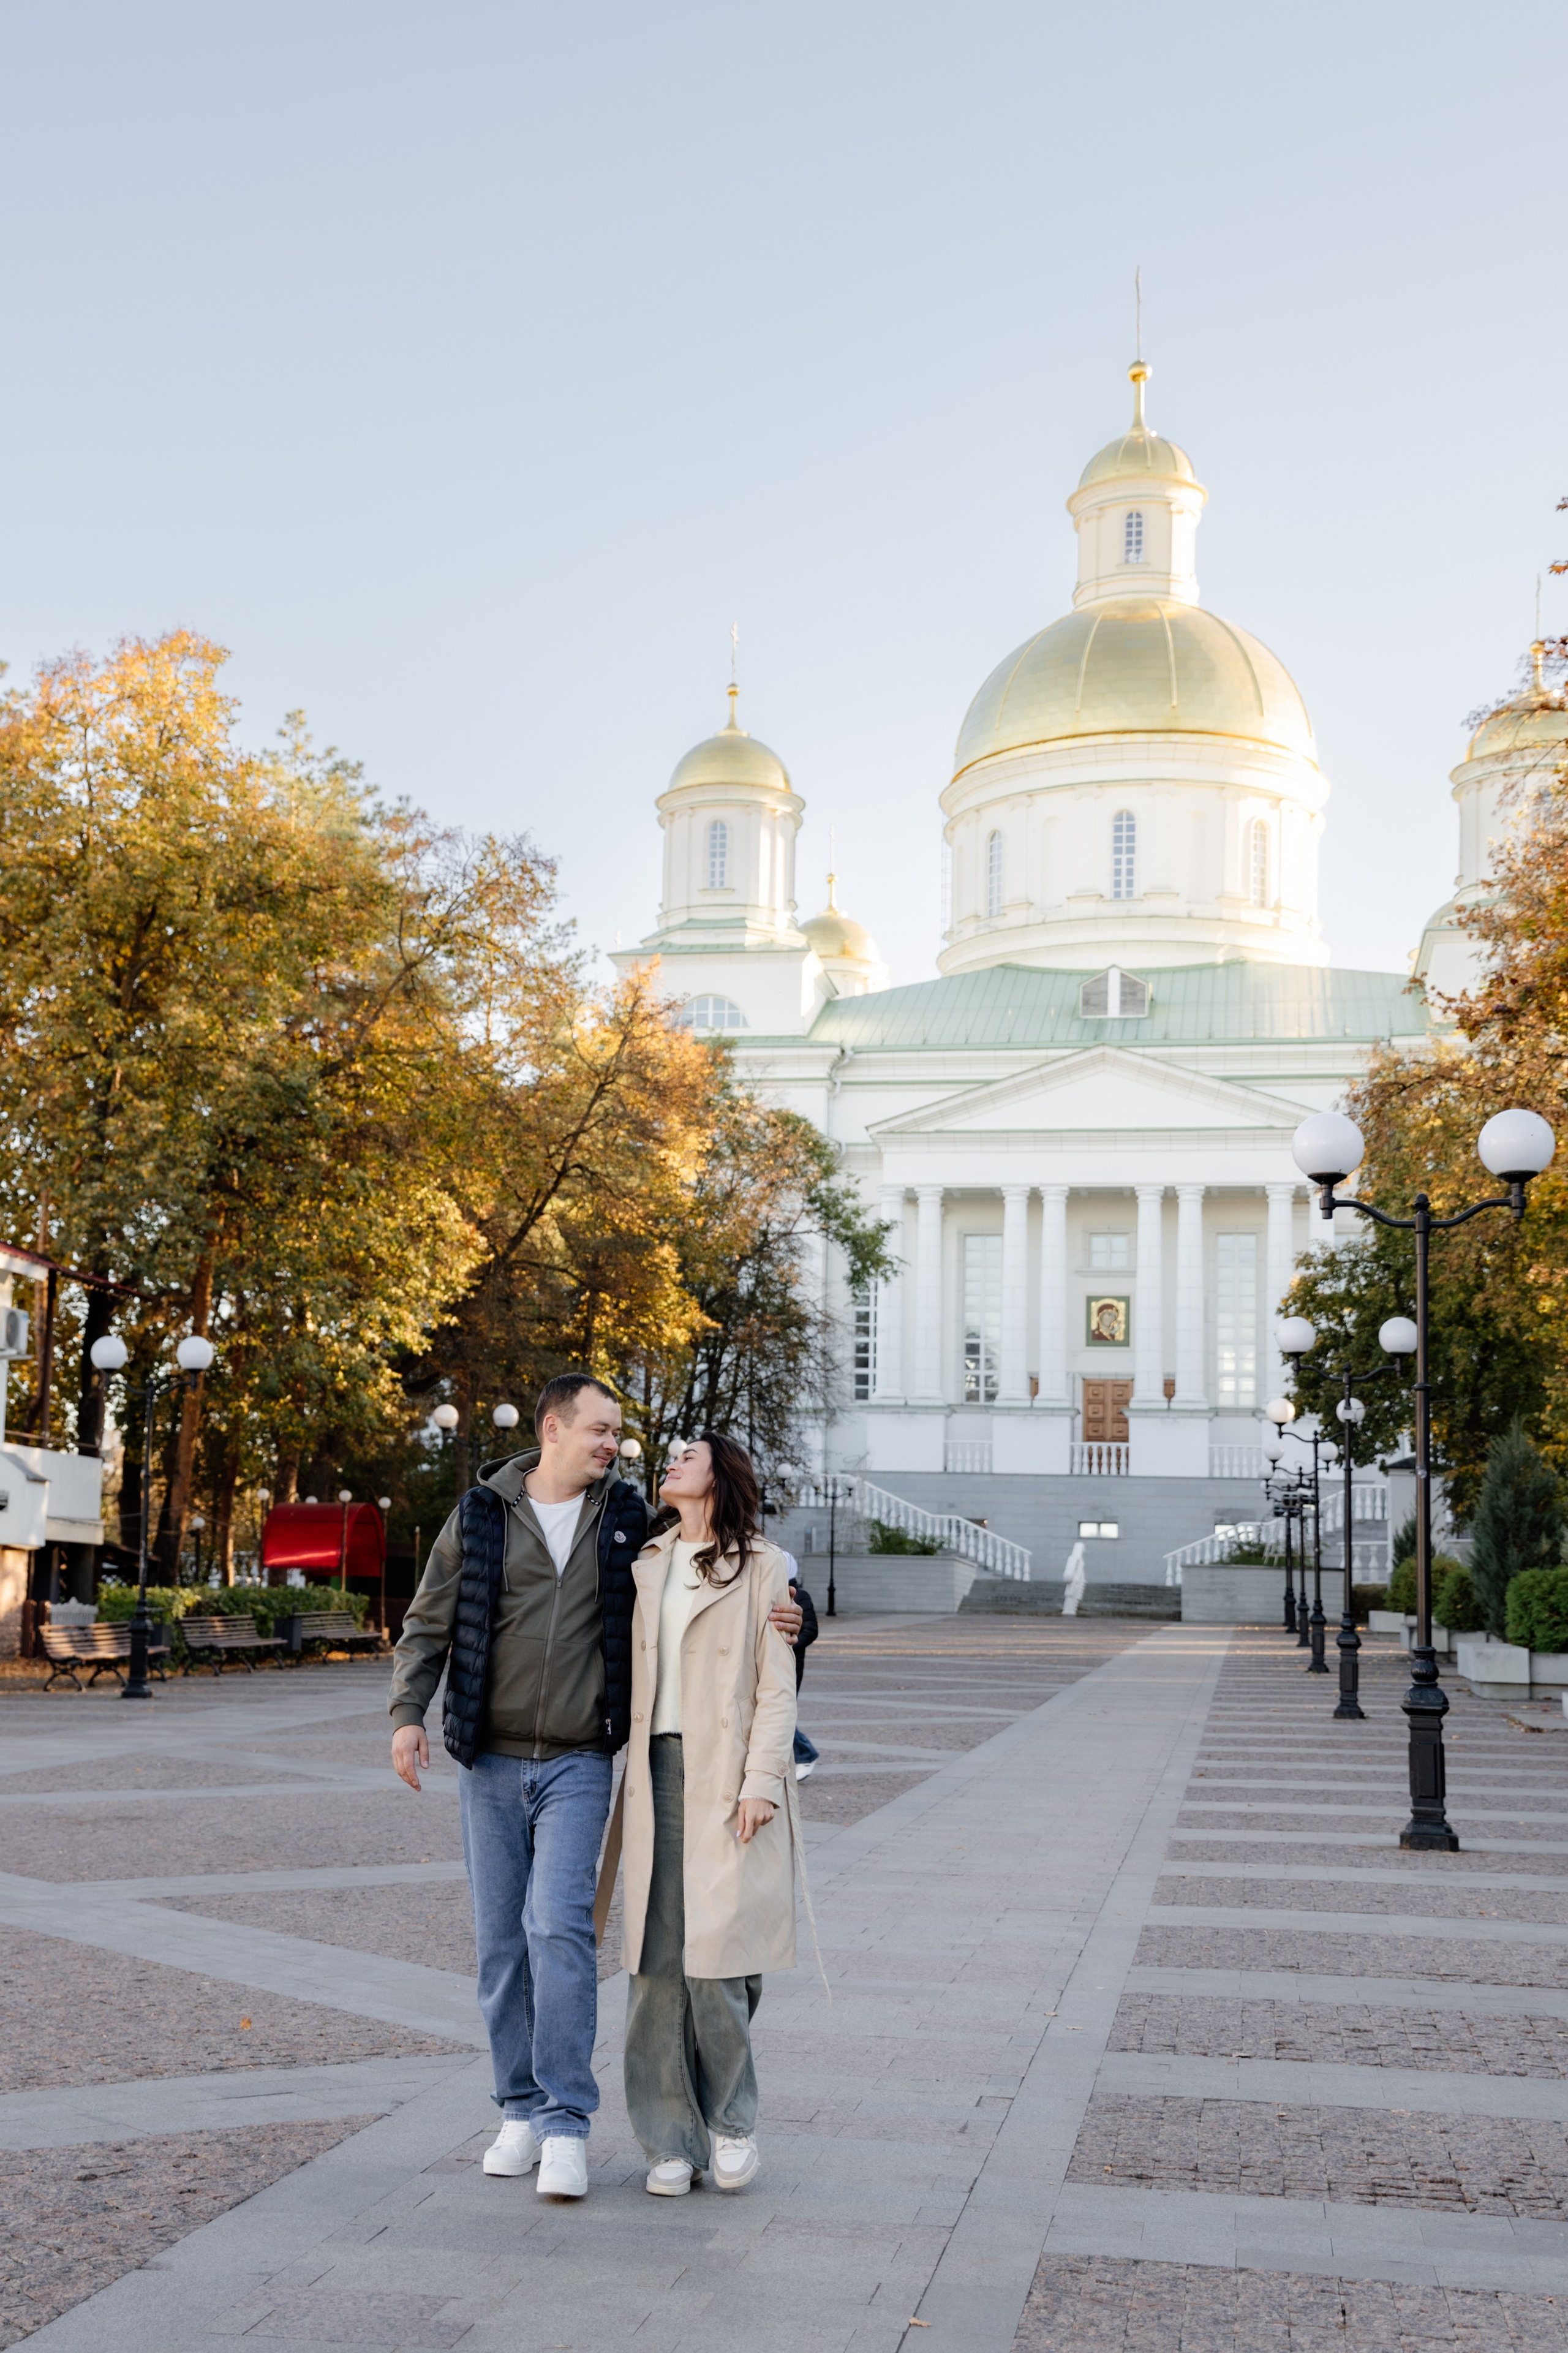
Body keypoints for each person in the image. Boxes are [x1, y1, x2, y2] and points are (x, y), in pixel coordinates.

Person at [387, 1373, 801, 2202]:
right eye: (601, 1429)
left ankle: (568, 2122)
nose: (615, 1443)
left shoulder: (625, 1519)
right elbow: (428, 1620)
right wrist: (407, 1713)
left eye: (617, 1431)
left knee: (561, 1930)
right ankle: (520, 2110)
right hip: (489, 1761)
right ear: (553, 1429)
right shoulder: (482, 1513)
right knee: (504, 1945)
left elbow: (733, 1561)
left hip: (580, 1761)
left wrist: (802, 1616)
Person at [619, 1432, 798, 2197]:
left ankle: (731, 2123)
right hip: (655, 1770)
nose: (671, 1460)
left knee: (720, 1960)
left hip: (726, 1774)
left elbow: (776, 1686)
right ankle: (667, 2137)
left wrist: (762, 1780)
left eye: (687, 1454)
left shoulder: (764, 1566)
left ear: (719, 1476)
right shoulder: (647, 1560)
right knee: (655, 1965)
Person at [786, 1564, 819, 1780]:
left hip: (792, 1665)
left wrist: (787, 1646)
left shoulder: (801, 1595)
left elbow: (811, 1630)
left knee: (781, 1713)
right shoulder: (768, 1591)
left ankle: (806, 1753)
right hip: (773, 1662)